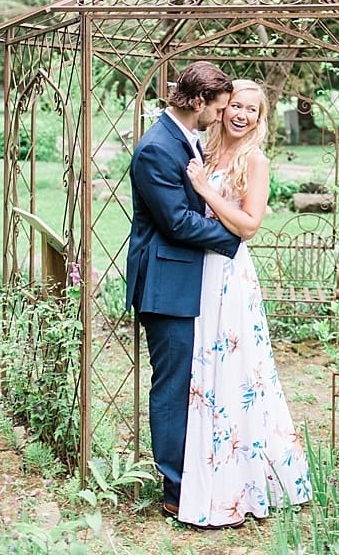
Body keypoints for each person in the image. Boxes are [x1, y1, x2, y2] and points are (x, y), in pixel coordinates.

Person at [181, 79, 312, 528]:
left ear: (260, 118)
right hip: (200, 273)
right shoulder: (205, 150)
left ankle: (246, 481)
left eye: (251, 111)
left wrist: (207, 192)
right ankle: (207, 474)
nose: (241, 115)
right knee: (207, 372)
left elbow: (249, 225)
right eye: (235, 105)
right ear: (222, 107)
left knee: (240, 373)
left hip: (231, 274)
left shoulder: (253, 160)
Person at [126, 60, 242, 522]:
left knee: (189, 383)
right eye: (217, 108)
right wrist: (233, 235)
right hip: (166, 283)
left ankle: (191, 475)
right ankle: (175, 490)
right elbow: (174, 222)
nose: (220, 116)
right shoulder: (156, 148)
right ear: (197, 102)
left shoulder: (185, 139)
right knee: (172, 388)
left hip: (187, 279)